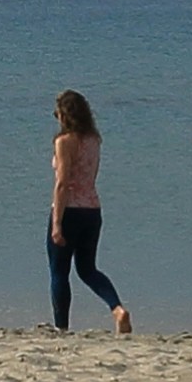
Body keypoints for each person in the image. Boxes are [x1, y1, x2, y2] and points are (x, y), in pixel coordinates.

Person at [45, 92, 127, 331]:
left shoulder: (64, 142)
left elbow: (62, 183)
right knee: (88, 268)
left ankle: (61, 327)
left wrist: (57, 223)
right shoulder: (93, 140)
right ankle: (116, 308)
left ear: (65, 115)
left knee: (59, 271)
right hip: (92, 209)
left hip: (69, 209)